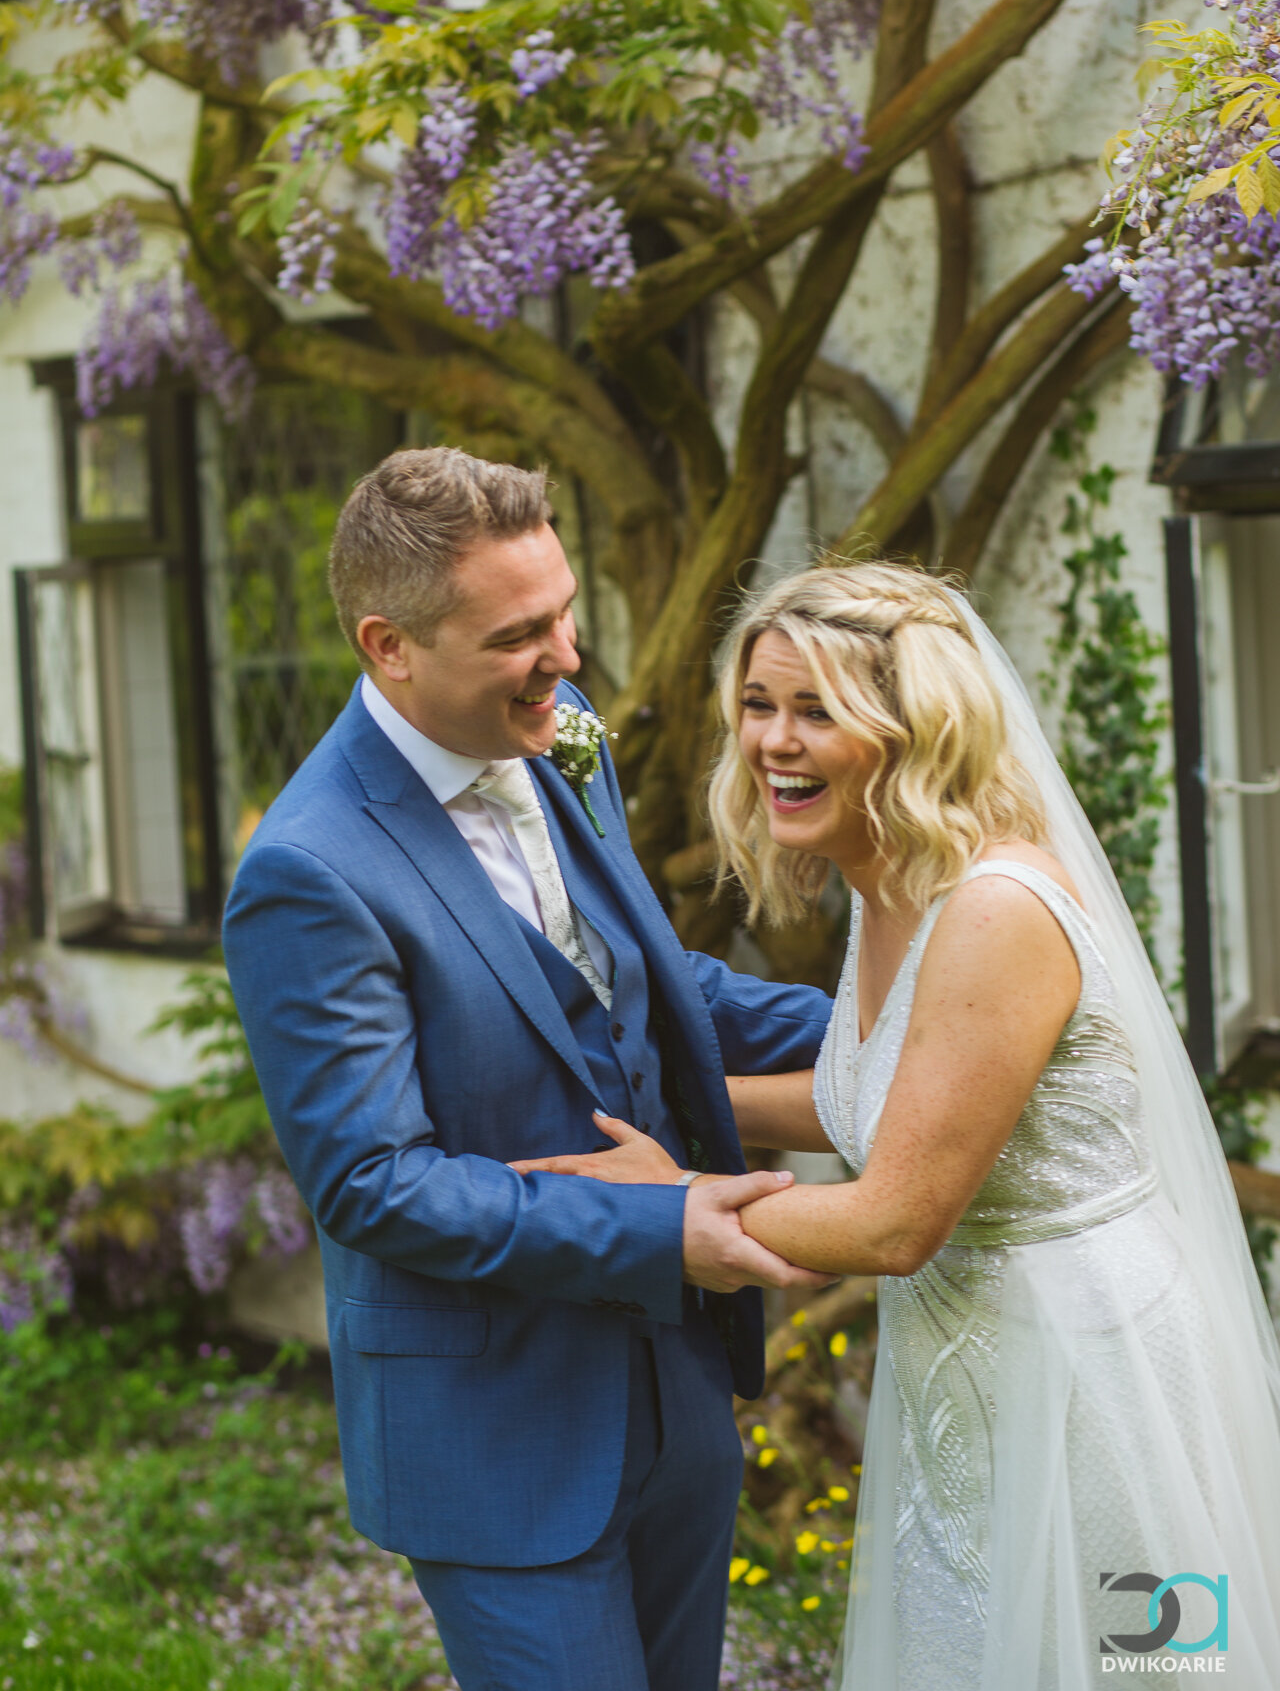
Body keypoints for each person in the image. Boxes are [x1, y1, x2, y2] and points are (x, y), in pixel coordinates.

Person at [519, 561, 1280, 1687]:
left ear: (912, 726)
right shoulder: (893, 885)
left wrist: (663, 1198)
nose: (773, 740)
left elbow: (893, 1221)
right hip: (965, 1365)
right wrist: (655, 1115)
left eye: (816, 709)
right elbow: (869, 1099)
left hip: (1094, 1382)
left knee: (1141, 1663)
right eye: (759, 704)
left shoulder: (990, 910)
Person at [221, 447, 835, 1691]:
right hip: (496, 1437)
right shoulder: (307, 871)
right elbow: (375, 1185)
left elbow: (655, 989)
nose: (566, 654)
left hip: (672, 1395)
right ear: (389, 645)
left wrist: (901, 1021)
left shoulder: (564, 743)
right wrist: (658, 1230)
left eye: (563, 610)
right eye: (519, 633)